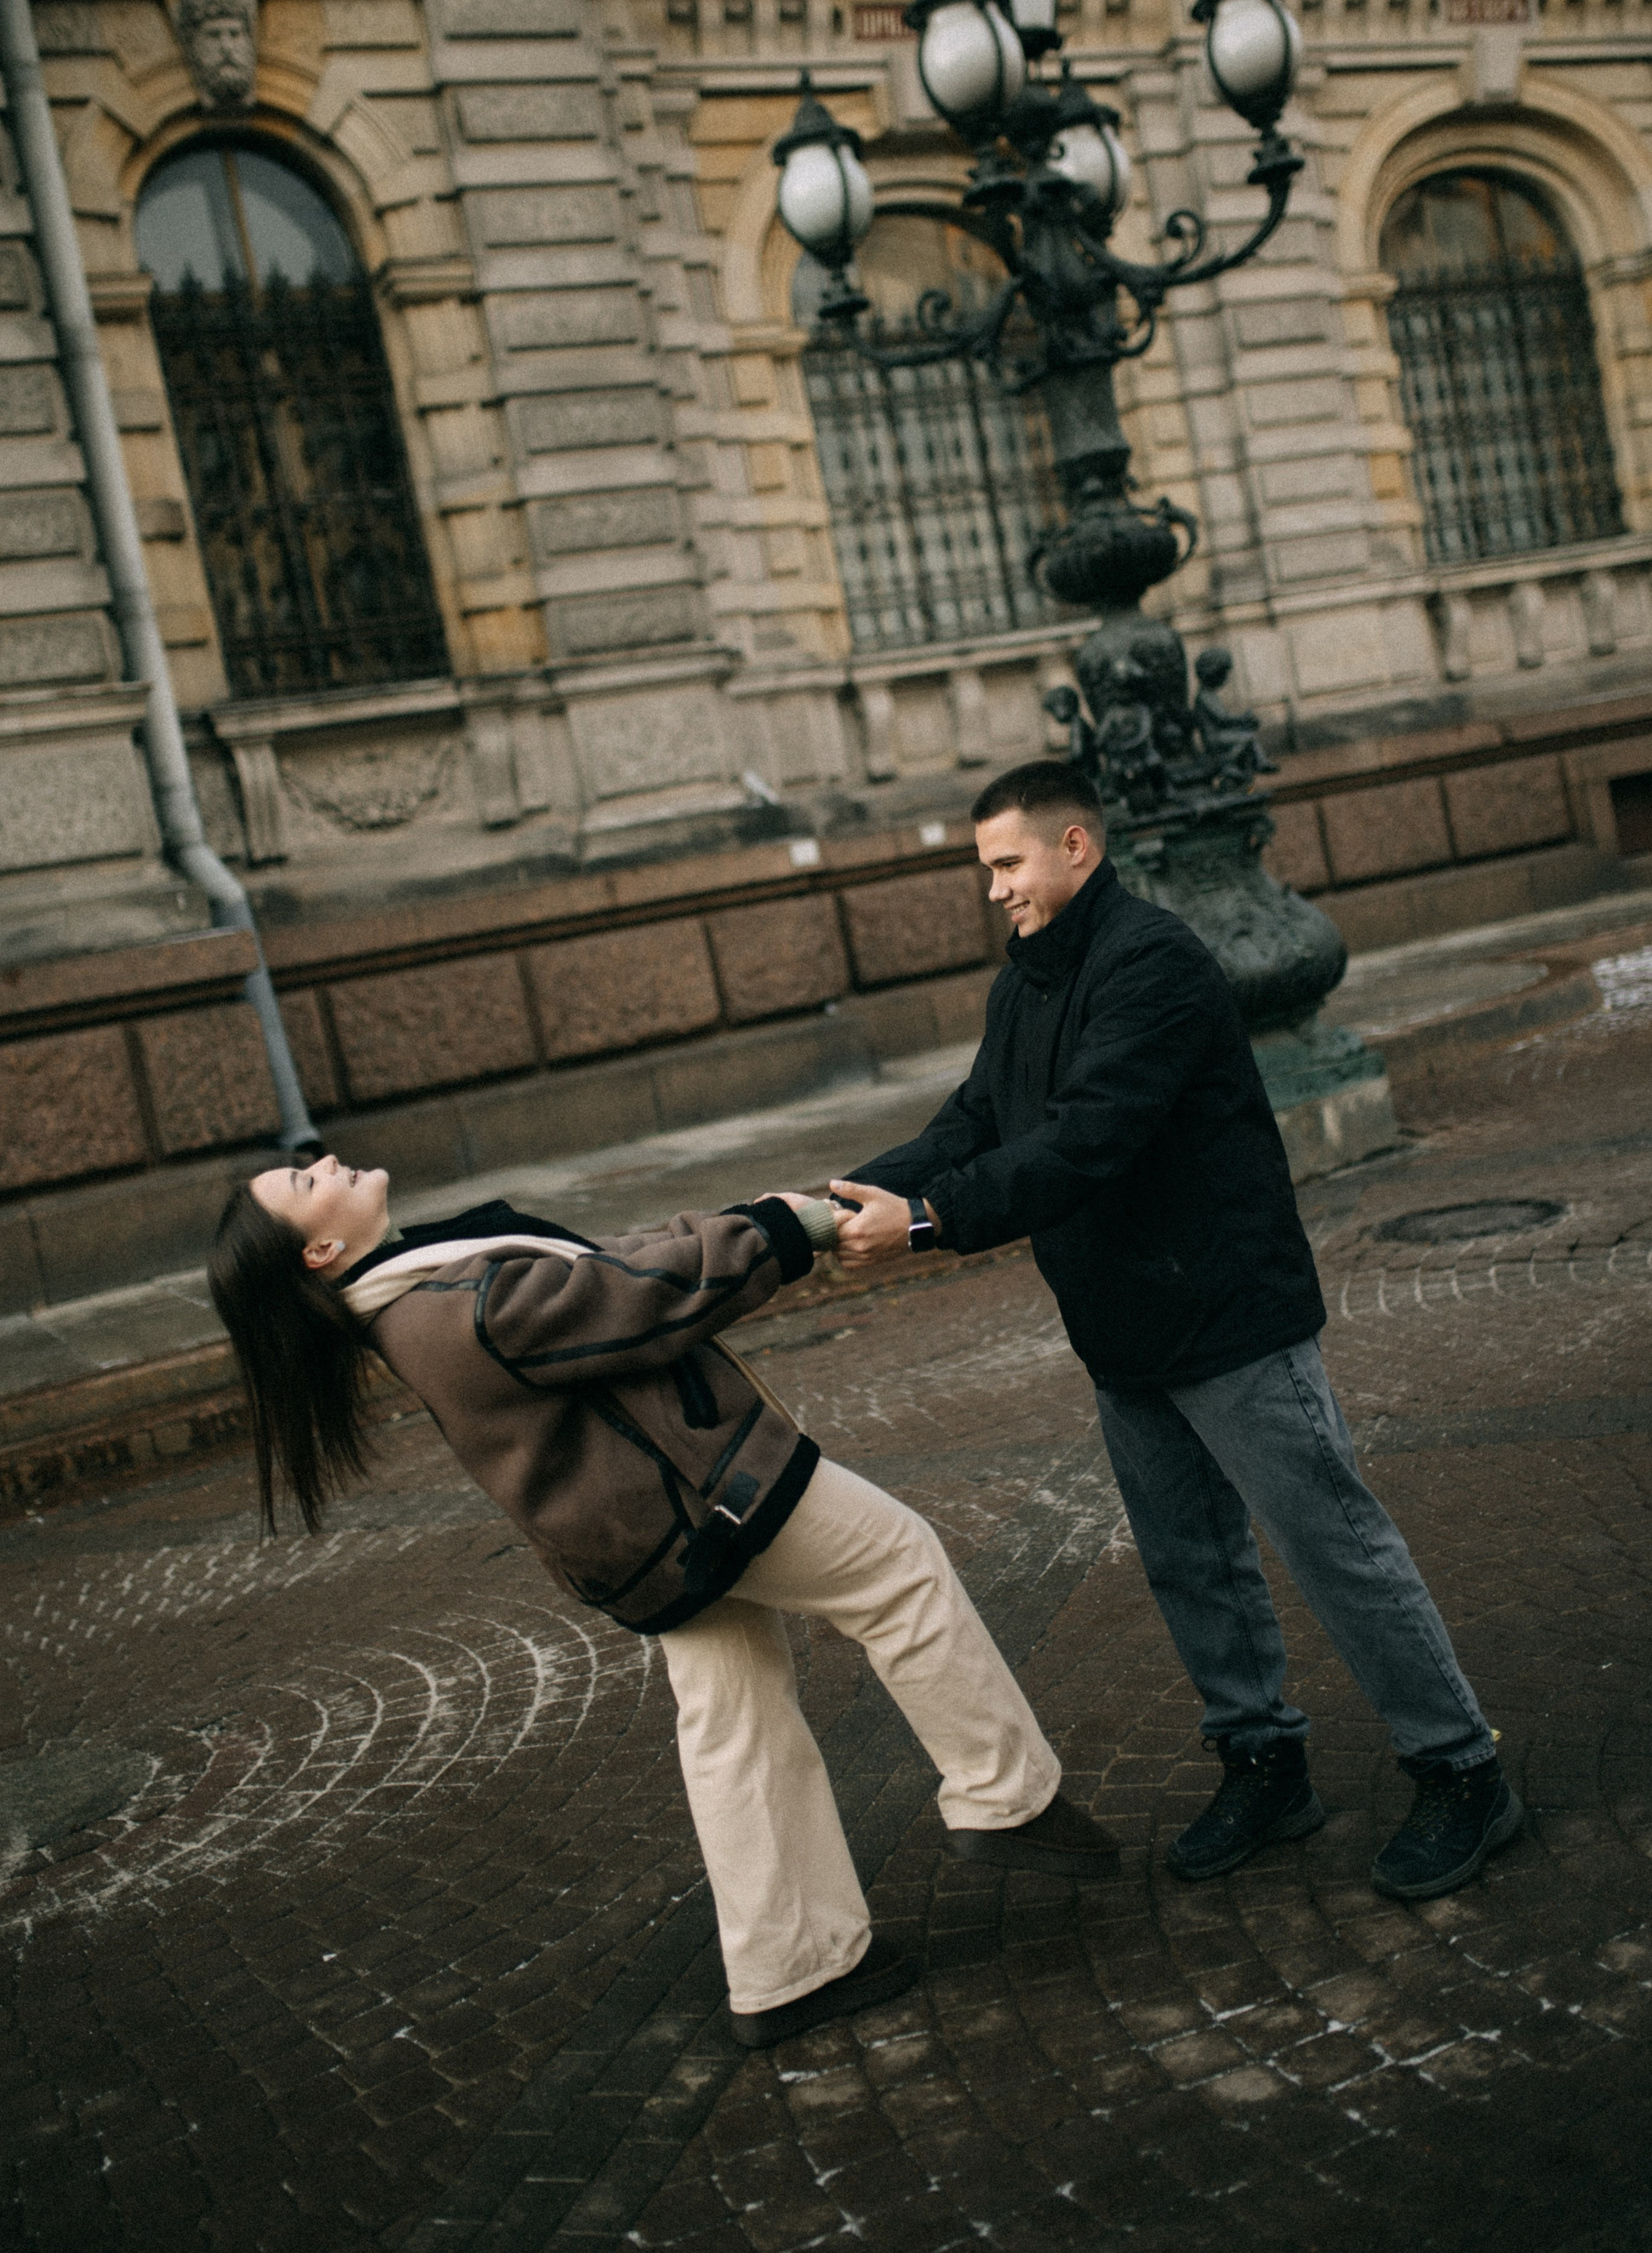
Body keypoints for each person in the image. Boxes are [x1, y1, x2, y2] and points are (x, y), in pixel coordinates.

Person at [207, 1160, 1120, 2049]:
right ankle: (1005, 1797)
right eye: (304, 1184)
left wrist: (746, 1218)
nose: (324, 1161)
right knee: (898, 1565)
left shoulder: (420, 1288)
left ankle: (792, 1967)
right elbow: (631, 1297)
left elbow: (606, 1266)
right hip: (704, 1501)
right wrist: (774, 1234)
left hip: (650, 1535)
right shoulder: (449, 1310)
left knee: (736, 1717)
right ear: (321, 1253)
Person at [829, 758, 1523, 1904]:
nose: (995, 889)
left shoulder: (1153, 962)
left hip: (1228, 1316)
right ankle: (1264, 1765)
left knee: (1334, 1546)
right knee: (1191, 1562)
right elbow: (975, 1121)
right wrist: (841, 1198)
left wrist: (927, 1220)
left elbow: (1087, 1139)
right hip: (1124, 1327)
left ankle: (1462, 1770)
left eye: (1007, 864)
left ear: (1075, 848)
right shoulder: (1026, 982)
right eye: (986, 870)